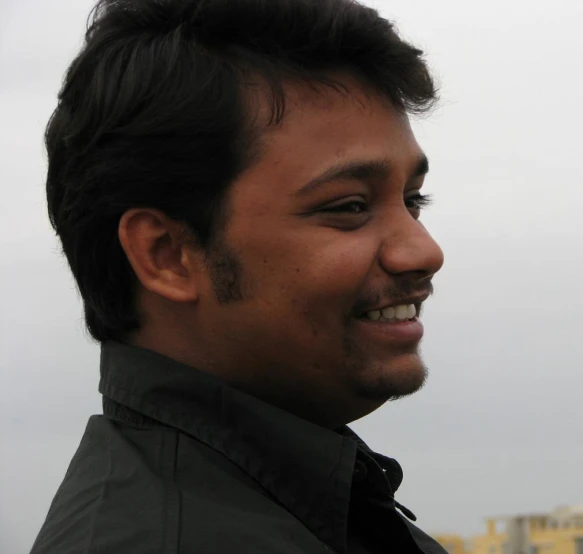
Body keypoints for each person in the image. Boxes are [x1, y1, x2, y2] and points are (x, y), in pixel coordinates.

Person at [31, 0, 446, 552]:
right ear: (167, 255)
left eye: (413, 200)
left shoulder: (309, 510)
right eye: (349, 206)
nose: (423, 251)